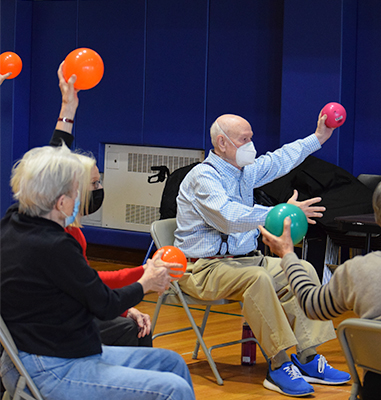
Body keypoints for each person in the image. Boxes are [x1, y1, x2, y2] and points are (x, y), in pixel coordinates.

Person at [174, 113, 350, 397]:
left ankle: (308, 357)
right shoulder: (203, 177)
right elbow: (228, 217)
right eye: (245, 139)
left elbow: (281, 159)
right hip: (202, 269)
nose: (251, 145)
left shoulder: (244, 171)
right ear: (222, 142)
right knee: (257, 278)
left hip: (245, 261)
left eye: (251, 138)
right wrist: (281, 213)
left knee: (301, 268)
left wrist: (318, 137)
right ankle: (279, 364)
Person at [0, 144, 195, 400]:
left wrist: (67, 112)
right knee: (174, 388)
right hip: (52, 367)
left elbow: (89, 290)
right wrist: (146, 282)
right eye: (76, 193)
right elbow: (104, 305)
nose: (82, 199)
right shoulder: (55, 246)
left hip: (60, 353)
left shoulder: (14, 220)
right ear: (61, 202)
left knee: (172, 363)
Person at [259, 174, 381, 400]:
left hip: (379, 389)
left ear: (380, 217)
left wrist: (287, 255)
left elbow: (311, 305)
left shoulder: (358, 270)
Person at [53, 62, 152, 347]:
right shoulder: (52, 238)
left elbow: (85, 286)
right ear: (67, 193)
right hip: (54, 333)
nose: (99, 189)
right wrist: (146, 277)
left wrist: (69, 107)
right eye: (93, 184)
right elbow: (89, 285)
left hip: (69, 312)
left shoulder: (70, 229)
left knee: (133, 324)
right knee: (134, 332)